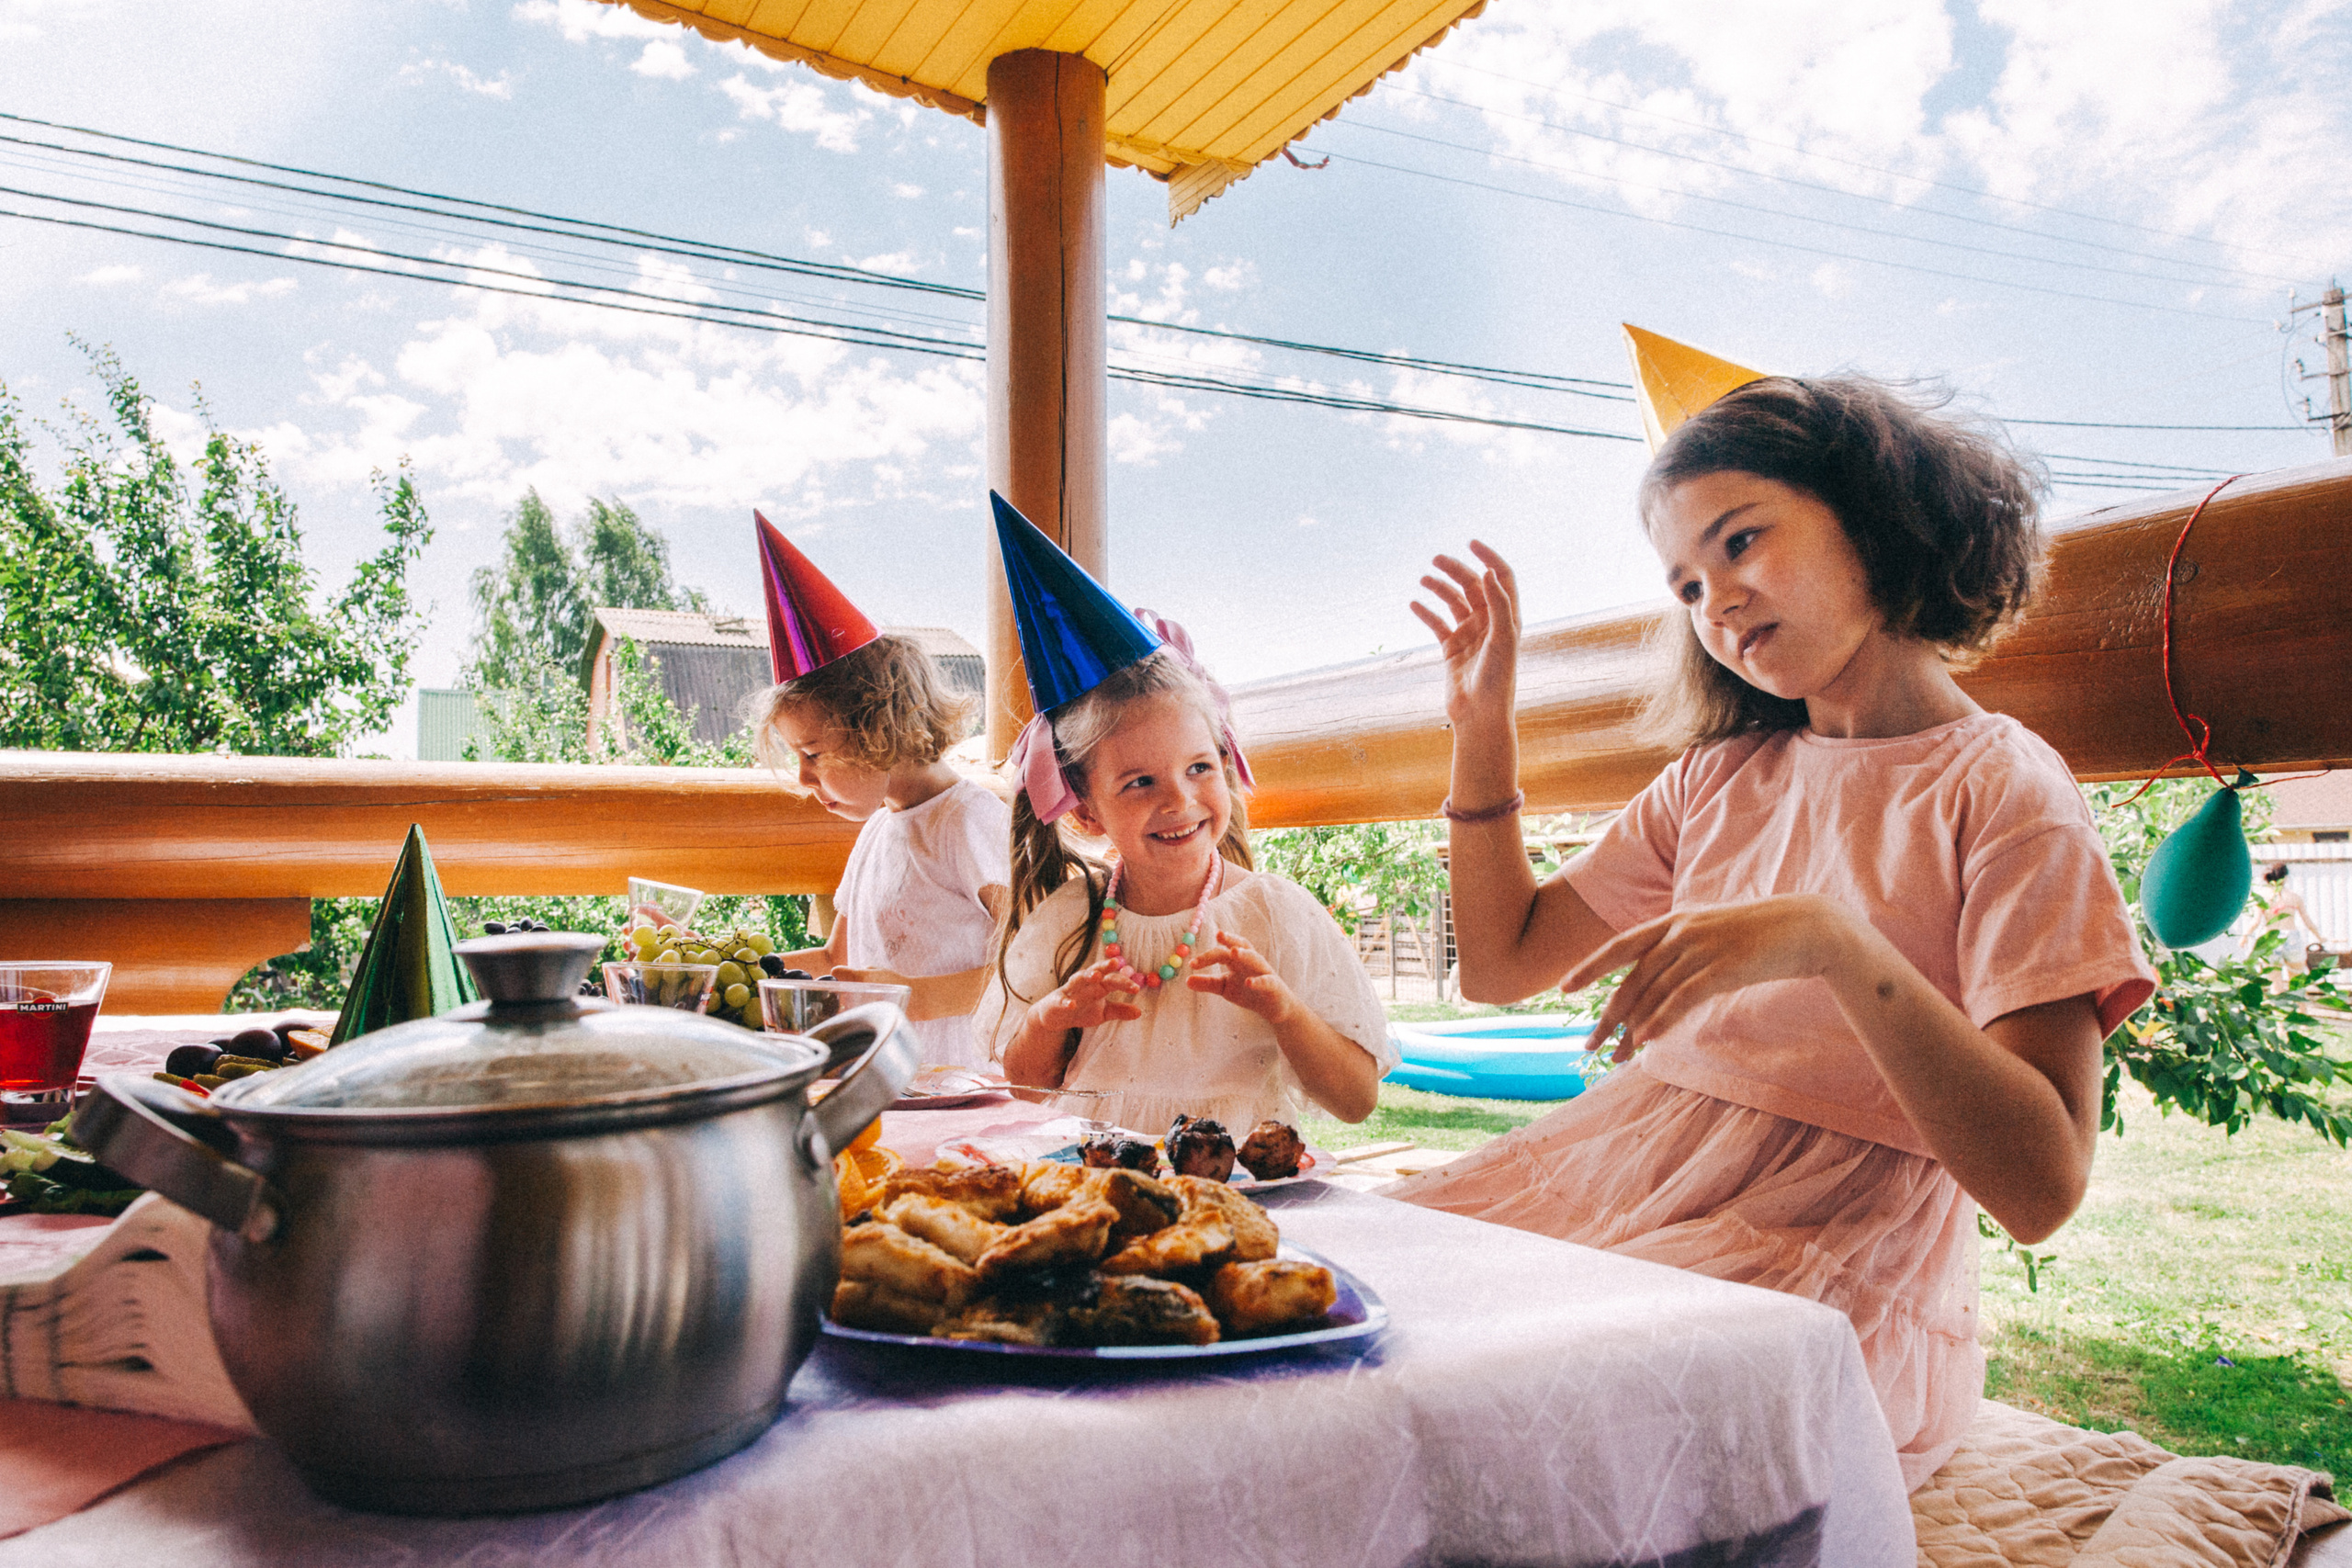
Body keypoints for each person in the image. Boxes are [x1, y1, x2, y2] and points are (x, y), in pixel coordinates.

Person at [1391, 369, 2155, 1490]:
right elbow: (1501, 966)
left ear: (1880, 522)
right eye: (1688, 585)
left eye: (1741, 541)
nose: (1719, 602)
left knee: (1525, 1412)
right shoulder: (1719, 778)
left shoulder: (2001, 788)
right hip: (1625, 1172)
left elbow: (2042, 1185)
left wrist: (1830, 943)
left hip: (1825, 1244)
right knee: (1358, 1305)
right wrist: (1483, 727)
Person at [974, 492, 1392, 1133]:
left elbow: (1357, 1098)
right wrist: (1051, 1018)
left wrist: (1283, 1009)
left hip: (1239, 1198)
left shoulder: (1272, 915)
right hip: (1095, 1190)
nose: (1180, 799)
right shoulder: (1068, 922)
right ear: (1087, 812)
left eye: (1199, 767)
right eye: (1140, 782)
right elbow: (1025, 1088)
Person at [748, 514, 1010, 1070]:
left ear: (877, 726)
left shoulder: (968, 820)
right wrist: (726, 964)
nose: (802, 778)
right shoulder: (876, 831)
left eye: (812, 753)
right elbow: (836, 959)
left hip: (963, 1087)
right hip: (892, 1084)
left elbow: (1034, 959)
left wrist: (909, 996)